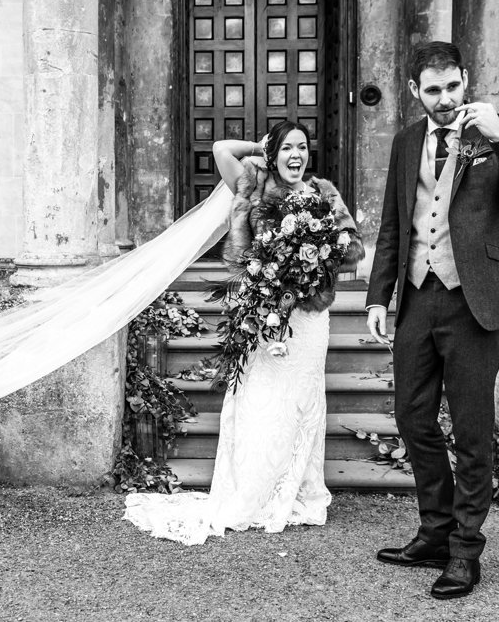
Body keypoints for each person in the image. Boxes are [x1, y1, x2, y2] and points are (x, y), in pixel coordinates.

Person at [365, 42, 499, 599]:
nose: (445, 100)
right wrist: (378, 297)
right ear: (416, 92)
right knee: (413, 417)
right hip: (418, 297)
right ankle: (435, 531)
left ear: (464, 80)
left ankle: (466, 550)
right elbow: (393, 224)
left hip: (475, 302)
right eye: (432, 90)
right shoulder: (404, 141)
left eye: (452, 87)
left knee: (471, 431)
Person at [123, 120, 363, 545]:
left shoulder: (324, 193)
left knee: (303, 400)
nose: (296, 155)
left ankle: (295, 490)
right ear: (274, 153)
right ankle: (252, 491)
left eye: (302, 147)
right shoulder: (252, 184)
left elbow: (353, 250)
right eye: (287, 147)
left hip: (308, 320)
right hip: (265, 314)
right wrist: (262, 146)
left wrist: (316, 258)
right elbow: (220, 148)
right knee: (262, 398)